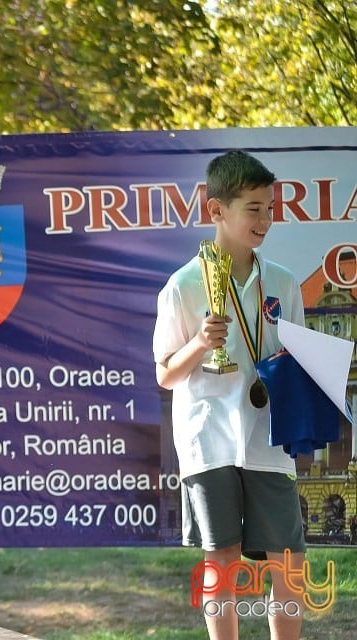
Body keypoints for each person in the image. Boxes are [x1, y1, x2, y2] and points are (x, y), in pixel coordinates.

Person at [153, 150, 306, 640]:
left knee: (289, 559)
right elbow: (165, 375)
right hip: (208, 439)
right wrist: (200, 342)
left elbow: (296, 362)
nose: (266, 219)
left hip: (268, 439)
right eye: (254, 208)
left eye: (270, 207)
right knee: (222, 558)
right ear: (216, 209)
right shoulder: (182, 286)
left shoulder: (282, 281)